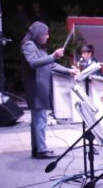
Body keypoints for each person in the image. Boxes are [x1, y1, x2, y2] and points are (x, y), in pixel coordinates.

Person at [20, 22, 74, 159]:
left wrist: (69, 71)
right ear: (38, 34)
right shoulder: (29, 45)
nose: (48, 36)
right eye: (46, 33)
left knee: (37, 120)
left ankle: (37, 148)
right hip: (36, 89)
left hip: (39, 89)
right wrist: (53, 56)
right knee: (40, 120)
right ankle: (41, 150)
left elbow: (51, 65)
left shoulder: (39, 48)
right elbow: (33, 63)